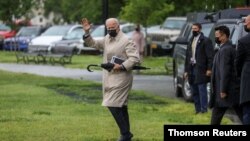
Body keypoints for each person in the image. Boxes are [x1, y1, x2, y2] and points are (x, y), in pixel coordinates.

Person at [81, 18, 140, 141]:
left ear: (118, 27)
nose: (110, 30)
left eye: (112, 28)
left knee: (111, 103)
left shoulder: (126, 40)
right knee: (121, 106)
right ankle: (126, 134)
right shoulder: (107, 38)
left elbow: (134, 59)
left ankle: (125, 134)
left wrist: (121, 66)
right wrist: (87, 33)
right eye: (108, 28)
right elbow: (93, 44)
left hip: (122, 77)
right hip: (109, 77)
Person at [209, 25, 243, 125]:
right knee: (242, 114)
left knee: (215, 118)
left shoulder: (225, 50)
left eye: (217, 36)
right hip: (230, 91)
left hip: (226, 92)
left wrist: (223, 90)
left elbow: (225, 71)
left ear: (225, 36)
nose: (216, 38)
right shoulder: (225, 48)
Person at [184, 22, 214, 114]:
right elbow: (187, 56)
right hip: (191, 68)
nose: (194, 30)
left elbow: (210, 56)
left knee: (202, 89)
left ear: (200, 29)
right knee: (194, 89)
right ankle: (197, 110)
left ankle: (204, 109)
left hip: (201, 68)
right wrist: (186, 70)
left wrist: (209, 69)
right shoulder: (191, 40)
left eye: (195, 29)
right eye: (192, 29)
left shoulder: (206, 40)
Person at [235, 15, 250, 125]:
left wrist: (239, 75)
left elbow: (238, 63)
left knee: (247, 112)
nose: (245, 25)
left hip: (247, 80)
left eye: (246, 23)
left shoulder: (243, 41)